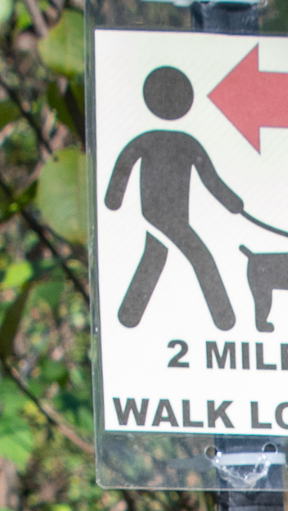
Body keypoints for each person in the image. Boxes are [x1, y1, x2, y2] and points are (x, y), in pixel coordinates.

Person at [103, 66, 244, 330]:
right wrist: (114, 198)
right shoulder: (182, 142)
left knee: (156, 255)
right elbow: (211, 180)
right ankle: (224, 318)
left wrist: (234, 204)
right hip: (162, 214)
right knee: (201, 257)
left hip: (163, 213)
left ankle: (128, 316)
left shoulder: (163, 141)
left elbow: (210, 179)